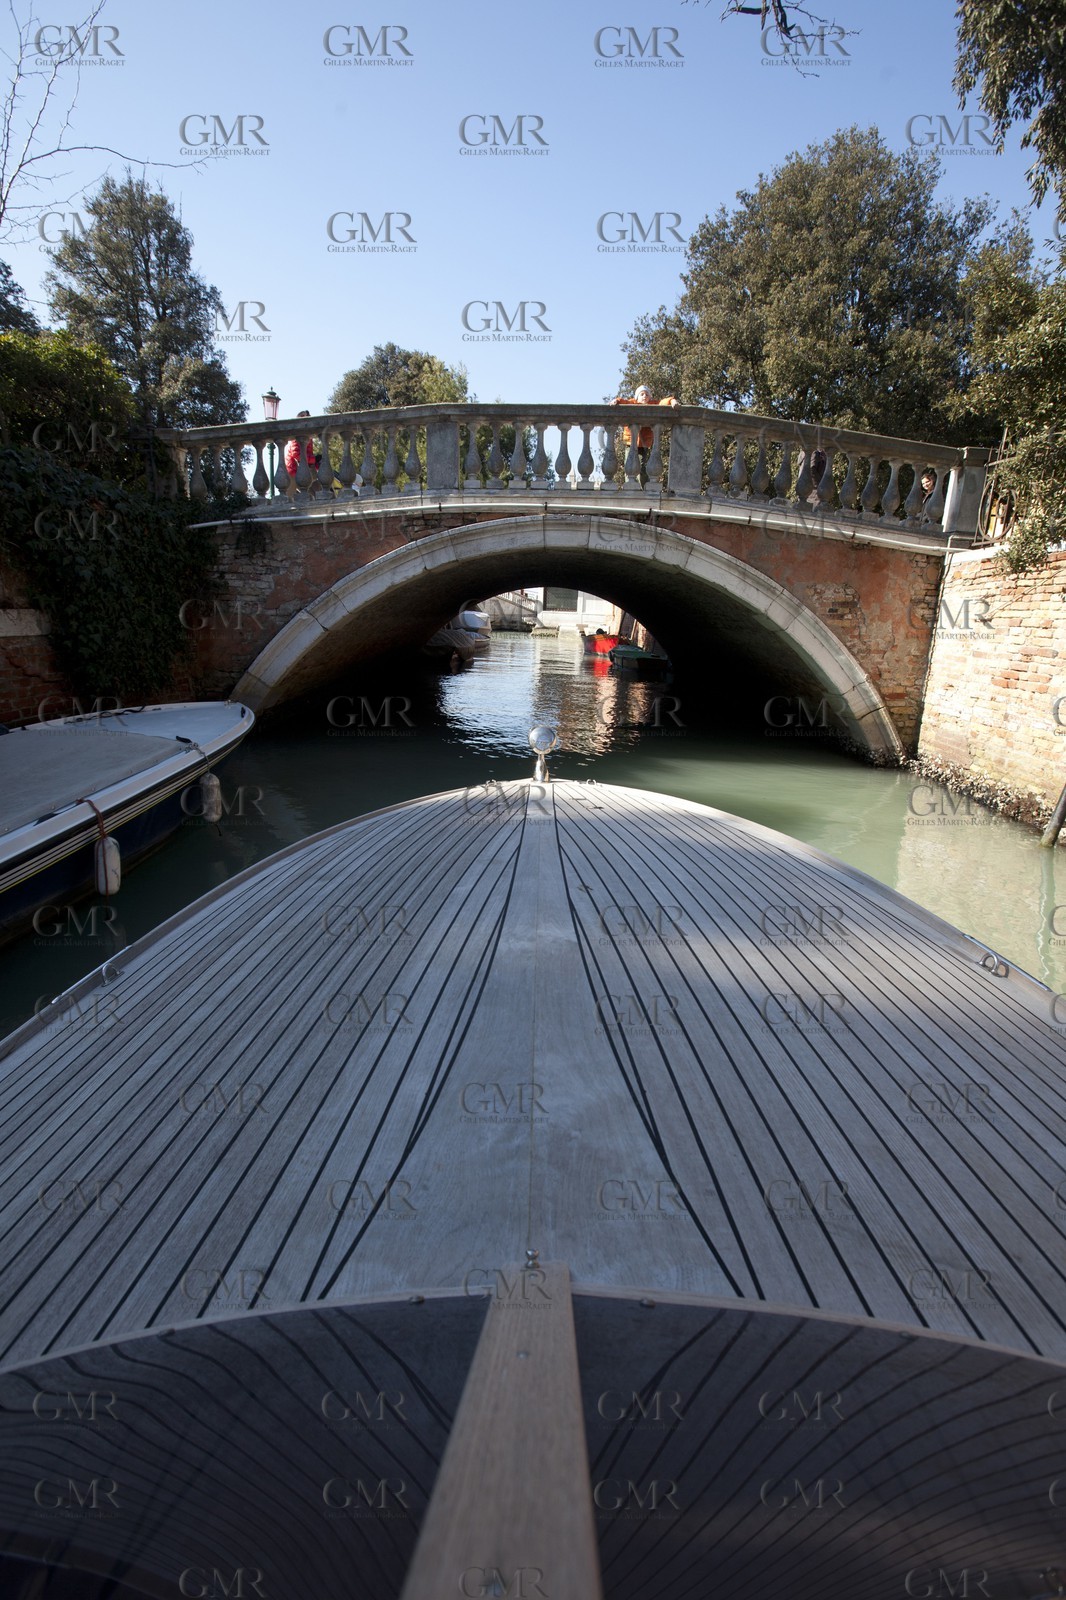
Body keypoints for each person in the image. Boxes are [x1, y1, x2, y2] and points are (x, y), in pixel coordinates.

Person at [609, 384, 678, 483]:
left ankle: (643, 486)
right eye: (642, 394)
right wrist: (616, 401)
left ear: (650, 397)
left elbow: (663, 402)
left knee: (642, 466)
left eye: (646, 394)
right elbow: (624, 402)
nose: (644, 396)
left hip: (643, 444)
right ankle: (629, 485)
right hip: (630, 443)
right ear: (637, 397)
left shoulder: (653, 404)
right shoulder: (633, 403)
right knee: (629, 464)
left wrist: (672, 401)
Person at [284, 410, 322, 484]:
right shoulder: (296, 436)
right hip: (293, 471)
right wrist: (314, 459)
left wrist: (316, 462)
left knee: (314, 490)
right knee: (289, 494)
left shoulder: (308, 437)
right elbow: (296, 455)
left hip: (301, 470)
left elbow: (307, 456)